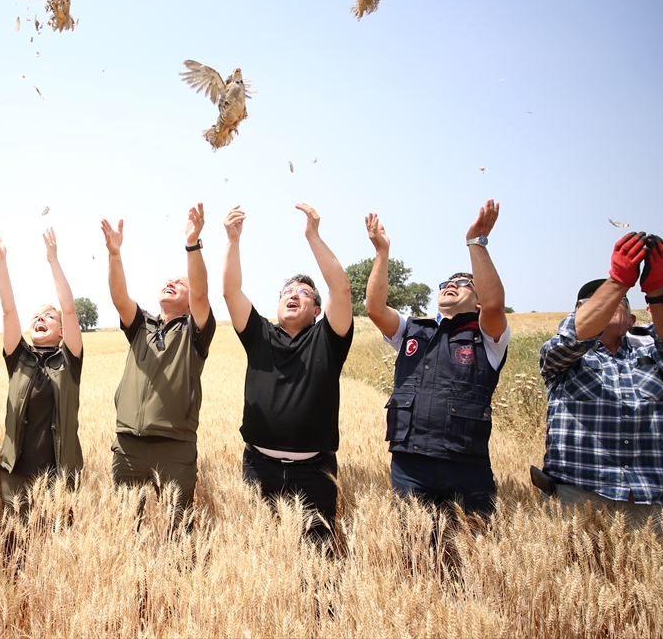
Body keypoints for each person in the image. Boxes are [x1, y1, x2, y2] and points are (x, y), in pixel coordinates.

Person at [539, 233, 663, 532]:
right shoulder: (563, 360)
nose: (607, 302)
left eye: (619, 300)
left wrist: (658, 289)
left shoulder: (652, 357)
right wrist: (617, 282)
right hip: (578, 495)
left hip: (652, 501)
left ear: (632, 320)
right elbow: (569, 340)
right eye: (591, 302)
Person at [364, 200, 509, 519]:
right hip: (410, 464)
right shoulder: (412, 329)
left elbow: (495, 305)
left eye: (463, 283)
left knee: (474, 545)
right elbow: (374, 309)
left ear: (478, 301)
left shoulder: (488, 337)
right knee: (414, 545)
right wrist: (382, 252)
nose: (451, 286)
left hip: (467, 466)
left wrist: (476, 242)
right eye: (446, 284)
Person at [221, 203, 354, 540]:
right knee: (260, 557)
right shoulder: (259, 334)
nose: (294, 295)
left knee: (317, 559)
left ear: (318, 310)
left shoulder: (329, 339)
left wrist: (313, 236)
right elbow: (231, 292)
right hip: (258, 468)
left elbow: (341, 289)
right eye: (288, 292)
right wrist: (233, 241)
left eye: (304, 293)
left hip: (315, 473)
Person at [100, 204, 216, 514]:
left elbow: (201, 294)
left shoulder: (195, 331)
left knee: (177, 529)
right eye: (168, 281)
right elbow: (119, 297)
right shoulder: (141, 324)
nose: (171, 283)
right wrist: (114, 254)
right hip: (128, 444)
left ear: (190, 304)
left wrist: (192, 244)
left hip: (175, 446)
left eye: (180, 284)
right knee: (126, 526)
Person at [0, 227, 84, 516]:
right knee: (14, 540)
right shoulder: (18, 357)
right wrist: (1, 259)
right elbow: (8, 310)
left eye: (48, 316)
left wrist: (53, 259)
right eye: (36, 316)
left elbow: (69, 310)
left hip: (60, 474)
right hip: (16, 472)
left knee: (57, 540)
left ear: (62, 331)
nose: (40, 318)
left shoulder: (69, 359)